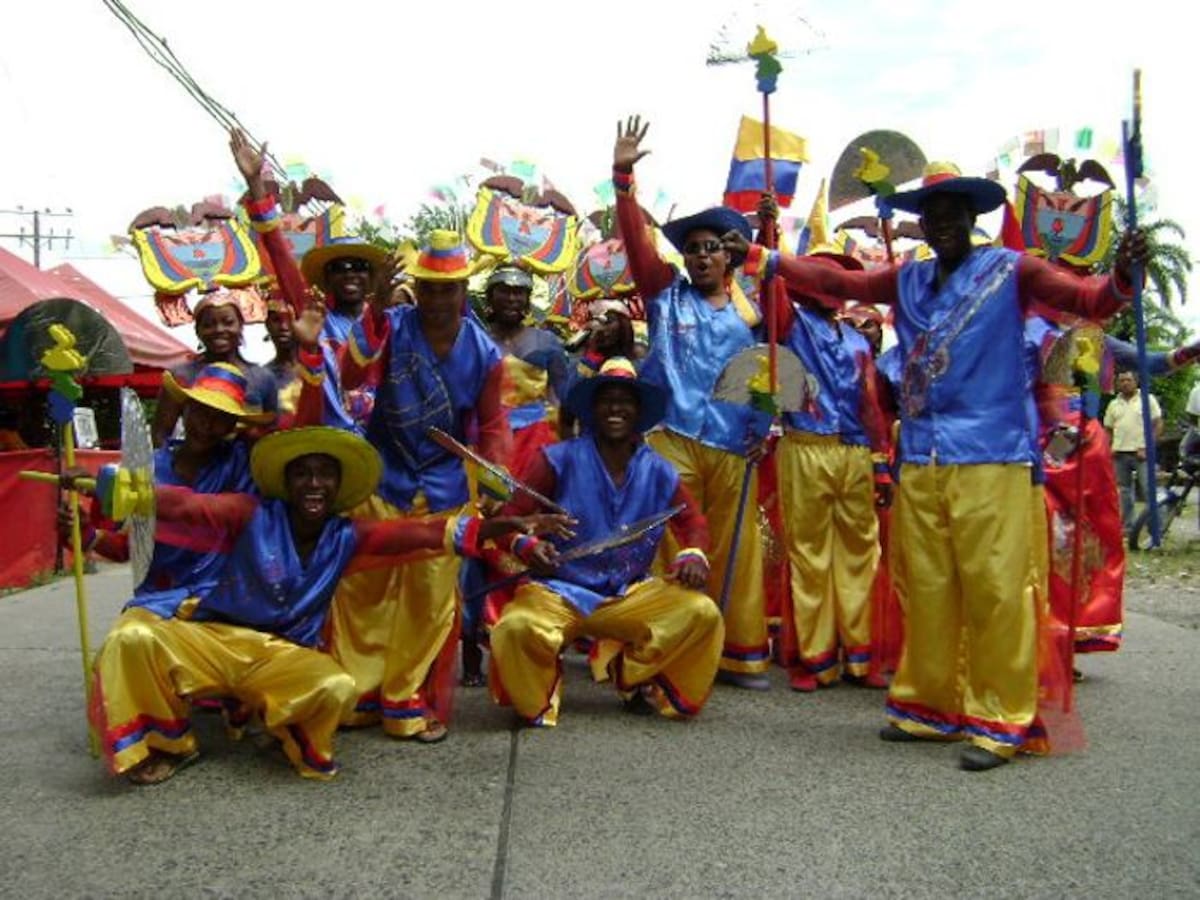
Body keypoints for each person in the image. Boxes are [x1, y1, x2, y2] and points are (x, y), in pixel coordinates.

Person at [729, 161, 1148, 770]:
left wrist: (1123, 276)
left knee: (996, 588)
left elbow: (1089, 300)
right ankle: (929, 704)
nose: (942, 223)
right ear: (921, 225)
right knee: (925, 585)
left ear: (972, 219)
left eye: (953, 213)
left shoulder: (1012, 270)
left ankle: (999, 717)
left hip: (993, 457)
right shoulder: (910, 280)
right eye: (932, 215)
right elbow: (835, 280)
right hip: (921, 458)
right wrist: (770, 260)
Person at [82, 425, 568, 785]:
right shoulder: (249, 513)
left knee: (335, 687)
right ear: (286, 482)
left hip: (278, 655)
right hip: (210, 636)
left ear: (339, 488)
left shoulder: (347, 535)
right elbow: (189, 507)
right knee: (132, 637)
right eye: (303, 475)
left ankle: (283, 729)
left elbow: (418, 533)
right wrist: (125, 489)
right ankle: (166, 742)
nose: (314, 484)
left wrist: (503, 529)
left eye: (324, 476)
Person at [329, 230, 512, 740]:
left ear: (463, 290)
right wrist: (373, 310)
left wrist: (498, 483)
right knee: (362, 588)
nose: (436, 298)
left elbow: (494, 425)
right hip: (382, 477)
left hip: (444, 487)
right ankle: (359, 690)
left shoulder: (485, 353)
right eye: (428, 287)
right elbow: (347, 375)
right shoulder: (390, 326)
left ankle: (405, 694)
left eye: (446, 288)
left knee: (429, 601)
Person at [612, 116, 772, 689]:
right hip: (671, 436)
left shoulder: (753, 308)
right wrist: (622, 180)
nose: (700, 258)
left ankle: (738, 651)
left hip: (732, 442)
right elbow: (635, 244)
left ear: (730, 259)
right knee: (668, 541)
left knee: (734, 547)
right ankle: (661, 645)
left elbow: (769, 371)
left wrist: (765, 423)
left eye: (711, 250)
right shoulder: (664, 296)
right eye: (692, 251)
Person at [489, 358, 723, 724]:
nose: (616, 408)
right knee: (516, 627)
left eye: (625, 400)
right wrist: (528, 546)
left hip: (629, 593)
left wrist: (693, 554)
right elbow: (506, 522)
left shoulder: (659, 470)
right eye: (606, 400)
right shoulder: (556, 459)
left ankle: (632, 673)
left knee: (701, 613)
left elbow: (693, 522)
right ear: (592, 409)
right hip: (558, 590)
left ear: (639, 412)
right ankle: (537, 696)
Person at [767, 248, 891, 692]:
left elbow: (870, 405)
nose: (834, 291)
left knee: (862, 552)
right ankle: (814, 658)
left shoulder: (858, 341)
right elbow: (771, 289)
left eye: (840, 283)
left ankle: (860, 655)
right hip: (806, 445)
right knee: (810, 555)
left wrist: (880, 464)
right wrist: (771, 237)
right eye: (825, 280)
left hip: (854, 453)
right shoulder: (792, 326)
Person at [72, 363, 269, 603]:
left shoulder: (241, 465)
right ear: (184, 411)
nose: (206, 425)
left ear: (232, 426)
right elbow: (126, 548)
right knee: (130, 637)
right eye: (200, 411)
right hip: (159, 605)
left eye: (220, 418)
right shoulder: (147, 469)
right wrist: (81, 529)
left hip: (222, 605)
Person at [232, 128, 386, 433]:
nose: (349, 273)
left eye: (358, 266)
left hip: (385, 442)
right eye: (339, 267)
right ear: (326, 278)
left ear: (371, 277)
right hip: (328, 437)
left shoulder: (391, 320)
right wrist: (256, 186)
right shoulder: (315, 313)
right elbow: (278, 252)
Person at [151, 291, 278, 445]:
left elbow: (271, 432)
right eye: (208, 325)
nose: (219, 329)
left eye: (228, 322)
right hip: (198, 464)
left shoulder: (263, 378)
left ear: (240, 326)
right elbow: (160, 435)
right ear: (197, 331)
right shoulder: (181, 376)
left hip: (247, 465)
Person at [1103, 368, 1162, 533]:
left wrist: (1148, 447)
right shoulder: (1113, 403)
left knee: (1149, 489)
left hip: (1141, 452)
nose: (1125, 383)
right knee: (1124, 491)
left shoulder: (1147, 399)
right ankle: (1128, 526)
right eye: (1121, 380)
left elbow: (1157, 424)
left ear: (1136, 382)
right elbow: (1108, 428)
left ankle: (1156, 527)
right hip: (1119, 453)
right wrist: (1108, 448)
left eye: (1128, 380)